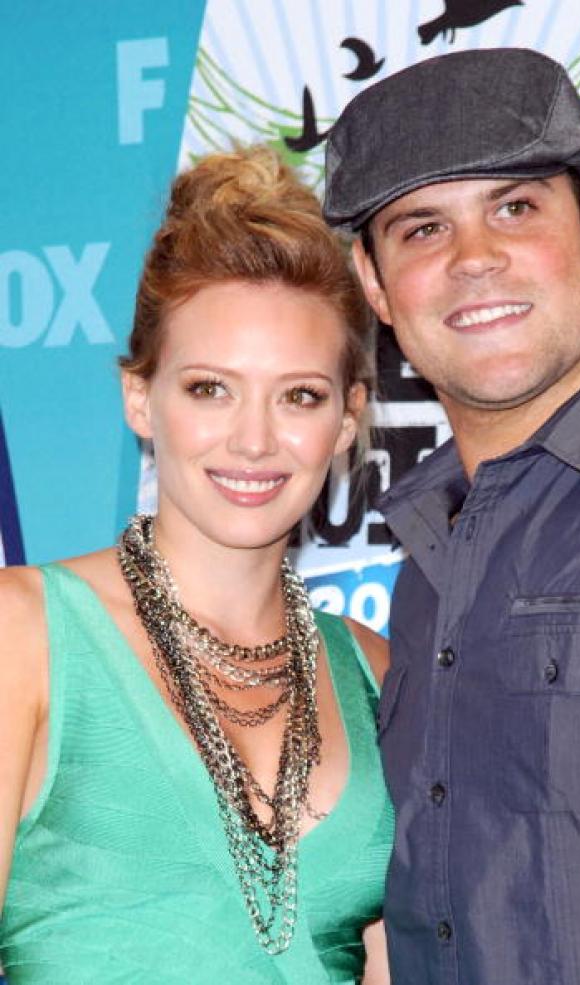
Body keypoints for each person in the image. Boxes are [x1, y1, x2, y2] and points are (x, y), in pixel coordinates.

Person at [323, 47, 580, 985]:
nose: (475, 258)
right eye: (422, 228)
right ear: (375, 285)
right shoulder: (430, 569)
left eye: (515, 207)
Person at [0, 145, 393, 984]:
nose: (254, 439)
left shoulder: (376, 671)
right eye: (211, 387)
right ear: (140, 396)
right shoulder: (24, 632)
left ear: (348, 419)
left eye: (300, 395)